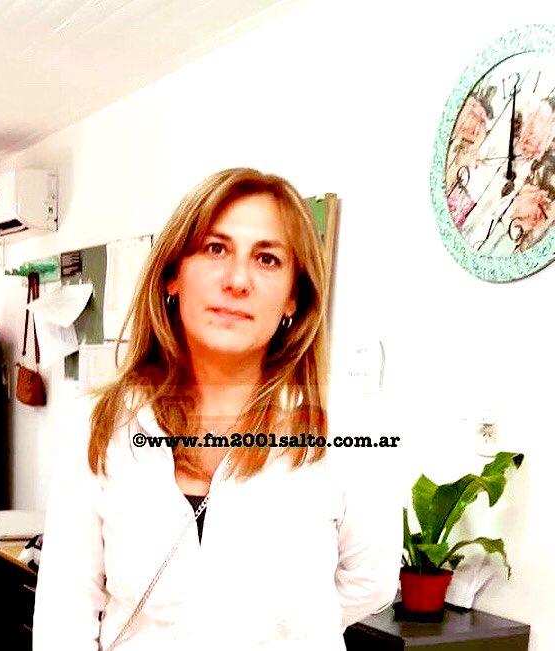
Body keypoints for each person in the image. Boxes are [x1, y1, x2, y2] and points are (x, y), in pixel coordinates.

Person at [32, 167, 401, 651]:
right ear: (173, 275)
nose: (238, 280)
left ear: (293, 297)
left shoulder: (343, 430)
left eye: (267, 259)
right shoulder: (101, 426)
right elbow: (65, 613)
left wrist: (274, 631)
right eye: (215, 249)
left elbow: (370, 583)